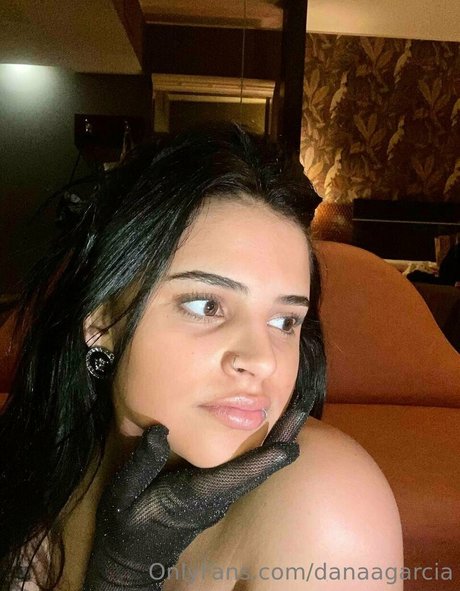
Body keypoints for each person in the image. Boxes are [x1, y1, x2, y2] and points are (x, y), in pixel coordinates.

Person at [0, 123, 403, 591]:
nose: (263, 361)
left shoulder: (327, 508)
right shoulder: (33, 465)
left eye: (284, 321)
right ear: (102, 324)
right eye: (207, 305)